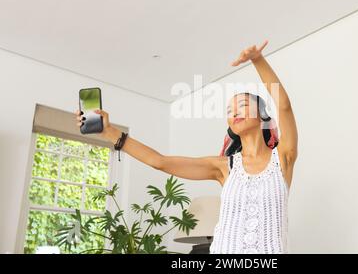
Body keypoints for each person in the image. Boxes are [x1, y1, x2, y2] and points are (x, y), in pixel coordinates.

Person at [74, 40, 298, 253]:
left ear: (262, 115)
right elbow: (160, 162)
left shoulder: (283, 158)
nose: (234, 113)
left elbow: (284, 106)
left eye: (242, 105)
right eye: (229, 111)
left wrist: (257, 59)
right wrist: (109, 132)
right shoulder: (224, 167)